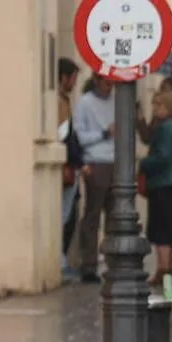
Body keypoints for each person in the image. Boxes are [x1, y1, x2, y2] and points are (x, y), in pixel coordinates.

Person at [139, 91, 172, 290]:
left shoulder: (166, 129)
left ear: (168, 107)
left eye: (158, 105)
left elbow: (163, 157)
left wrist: (143, 164)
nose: (154, 109)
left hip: (163, 185)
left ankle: (164, 270)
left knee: (162, 232)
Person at [73, 74, 115, 284]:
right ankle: (88, 265)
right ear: (97, 81)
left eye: (112, 83)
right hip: (96, 161)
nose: (110, 87)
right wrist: (104, 134)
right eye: (107, 83)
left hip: (115, 161)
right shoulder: (85, 103)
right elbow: (81, 136)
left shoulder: (117, 101)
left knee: (115, 216)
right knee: (92, 215)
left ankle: (114, 262)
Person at [57, 58, 82, 278]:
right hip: (66, 166)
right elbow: (65, 136)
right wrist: (75, 161)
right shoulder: (60, 102)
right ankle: (60, 262)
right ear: (64, 77)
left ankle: (62, 260)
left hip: (69, 165)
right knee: (64, 216)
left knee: (67, 215)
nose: (74, 83)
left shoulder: (63, 100)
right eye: (73, 78)